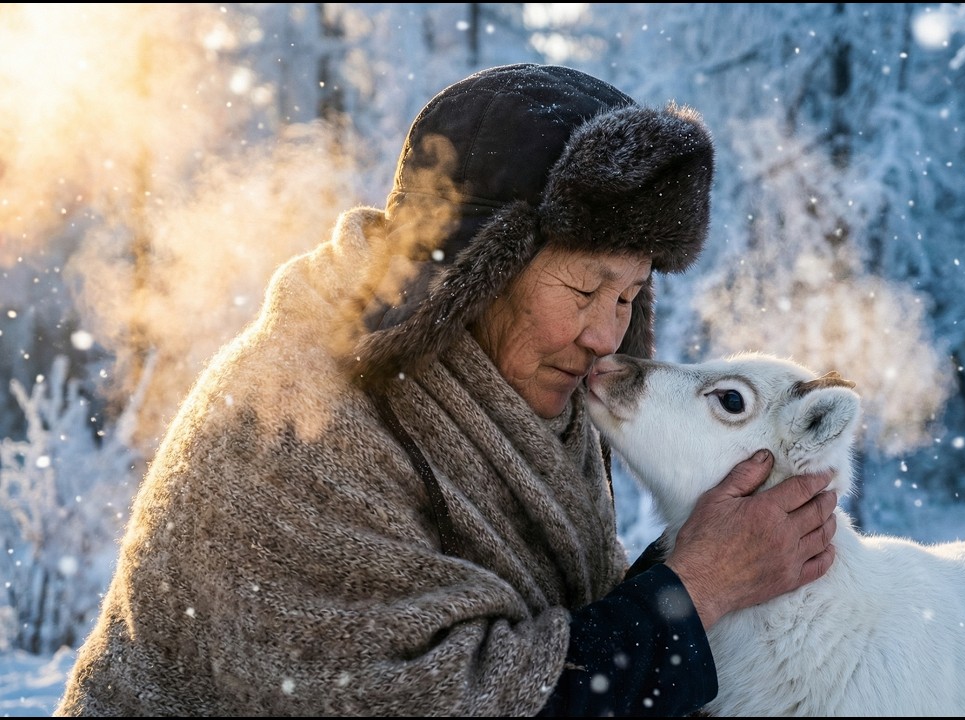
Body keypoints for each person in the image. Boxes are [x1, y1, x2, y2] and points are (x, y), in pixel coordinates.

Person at [54, 63, 838, 717]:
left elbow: (547, 640)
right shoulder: (298, 422)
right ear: (473, 271)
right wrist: (690, 593)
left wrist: (708, 564)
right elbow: (429, 699)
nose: (606, 335)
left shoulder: (530, 394)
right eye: (583, 287)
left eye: (630, 295)